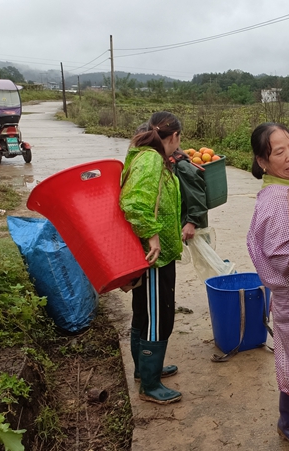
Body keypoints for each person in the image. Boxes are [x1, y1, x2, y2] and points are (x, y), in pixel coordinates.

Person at [246, 122, 289, 449]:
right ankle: (287, 422)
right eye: (279, 152)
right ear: (262, 161)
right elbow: (278, 253)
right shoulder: (276, 199)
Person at [120, 112, 184, 405]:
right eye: (178, 139)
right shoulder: (152, 160)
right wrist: (152, 235)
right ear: (173, 137)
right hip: (154, 257)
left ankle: (145, 370)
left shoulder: (149, 157)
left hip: (154, 252)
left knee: (144, 312)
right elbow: (134, 202)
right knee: (158, 317)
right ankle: (150, 384)